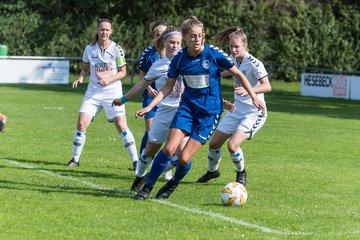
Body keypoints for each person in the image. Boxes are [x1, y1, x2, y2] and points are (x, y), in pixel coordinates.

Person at [132, 16, 266, 200]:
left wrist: (253, 96)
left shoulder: (213, 54)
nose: (197, 39)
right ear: (185, 37)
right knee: (169, 149)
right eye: (193, 36)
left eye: (200, 35)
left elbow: (239, 74)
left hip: (209, 115)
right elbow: (168, 86)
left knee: (184, 159)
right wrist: (150, 107)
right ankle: (146, 188)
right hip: (186, 110)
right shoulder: (179, 59)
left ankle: (172, 184)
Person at [196, 26, 272, 186]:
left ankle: (241, 173)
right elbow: (226, 72)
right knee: (214, 143)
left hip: (254, 112)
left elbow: (267, 86)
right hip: (237, 110)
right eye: (231, 46)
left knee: (232, 145)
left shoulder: (254, 64)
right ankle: (212, 171)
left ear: (245, 45)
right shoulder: (233, 59)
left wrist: (249, 90)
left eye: (236, 46)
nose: (233, 49)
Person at [112, 26, 184, 192]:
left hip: (183, 113)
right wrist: (123, 99)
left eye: (178, 43)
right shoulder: (158, 66)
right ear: (164, 42)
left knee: (182, 155)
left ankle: (155, 176)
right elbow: (141, 85)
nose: (175, 46)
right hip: (163, 113)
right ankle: (140, 175)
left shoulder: (187, 62)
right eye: (171, 42)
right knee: (148, 152)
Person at [66, 19, 138, 169]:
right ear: (97, 31)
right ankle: (75, 159)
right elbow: (85, 68)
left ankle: (136, 161)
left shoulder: (116, 49)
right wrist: (80, 78)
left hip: (113, 91)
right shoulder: (89, 49)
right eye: (101, 29)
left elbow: (123, 72)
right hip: (93, 92)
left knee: (121, 125)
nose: (104, 32)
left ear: (111, 31)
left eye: (107, 30)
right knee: (81, 123)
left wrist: (109, 79)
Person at [138, 20, 172, 179]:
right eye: (158, 35)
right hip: (149, 97)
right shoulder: (148, 52)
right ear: (154, 37)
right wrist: (148, 88)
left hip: (169, 101)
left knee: (169, 134)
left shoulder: (175, 53)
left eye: (164, 34)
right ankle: (143, 160)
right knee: (151, 132)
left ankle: (167, 168)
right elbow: (142, 74)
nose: (161, 37)